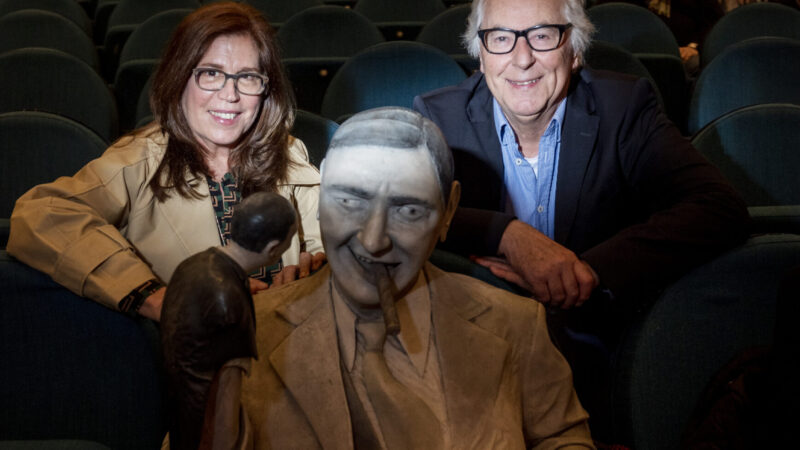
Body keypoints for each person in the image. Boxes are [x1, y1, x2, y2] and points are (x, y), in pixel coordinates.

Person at [413, 0, 749, 438]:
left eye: (542, 35)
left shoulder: (624, 106)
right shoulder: (437, 118)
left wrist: (586, 270)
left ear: (574, 50)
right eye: (501, 38)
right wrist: (507, 233)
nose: (521, 57)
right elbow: (399, 214)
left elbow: (718, 206)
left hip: (597, 361)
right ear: (481, 55)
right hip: (474, 366)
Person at [181, 107, 594, 449]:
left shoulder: (517, 325)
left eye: (408, 210)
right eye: (349, 200)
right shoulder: (245, 335)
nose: (373, 240)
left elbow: (565, 440)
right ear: (320, 197)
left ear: (448, 212)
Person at [6, 2, 324, 321]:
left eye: (248, 77)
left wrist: (311, 271)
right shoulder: (139, 158)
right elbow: (41, 214)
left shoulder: (288, 151)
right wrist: (156, 297)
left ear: (266, 89)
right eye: (211, 73)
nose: (230, 94)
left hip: (287, 340)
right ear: (179, 78)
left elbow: (323, 241)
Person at [161, 191, 297, 450]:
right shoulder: (228, 299)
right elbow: (226, 390)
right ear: (273, 249)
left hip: (179, 408)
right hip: (207, 425)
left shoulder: (193, 264)